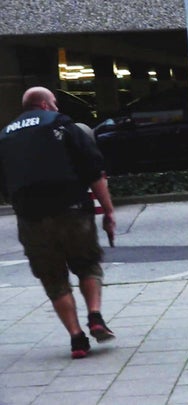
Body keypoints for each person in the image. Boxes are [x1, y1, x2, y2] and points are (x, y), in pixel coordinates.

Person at [0, 86, 117, 359]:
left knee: (53, 278)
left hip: (31, 218)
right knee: (87, 264)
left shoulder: (4, 136)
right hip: (73, 209)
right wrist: (108, 211)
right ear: (43, 104)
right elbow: (93, 171)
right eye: (53, 102)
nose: (56, 108)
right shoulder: (63, 125)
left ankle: (77, 339)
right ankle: (95, 316)